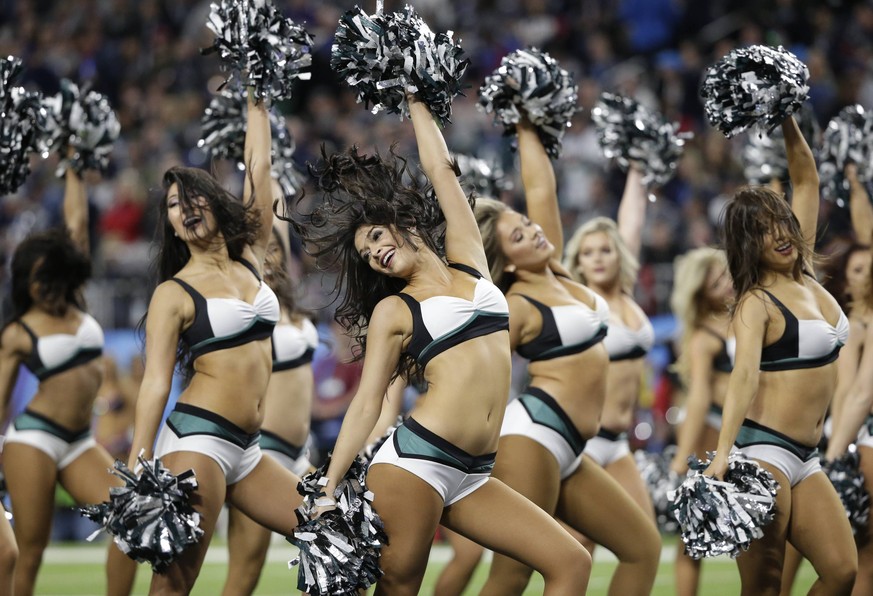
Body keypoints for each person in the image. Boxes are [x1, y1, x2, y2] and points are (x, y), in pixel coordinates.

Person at [298, 96, 591, 595]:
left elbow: (440, 170)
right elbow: (367, 402)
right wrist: (329, 486)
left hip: (475, 473)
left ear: (400, 222)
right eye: (367, 255)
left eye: (374, 237)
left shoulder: (469, 259)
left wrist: (415, 96)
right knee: (399, 588)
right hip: (417, 463)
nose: (374, 253)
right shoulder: (396, 310)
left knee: (571, 562)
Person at [473, 118, 660, 595]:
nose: (534, 232)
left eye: (527, 225)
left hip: (573, 446)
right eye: (519, 236)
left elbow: (541, 188)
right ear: (508, 262)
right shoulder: (514, 306)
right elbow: (480, 373)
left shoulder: (558, 271)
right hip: (533, 437)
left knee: (642, 549)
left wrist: (526, 122)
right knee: (513, 573)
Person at [128, 92, 303, 594]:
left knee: (330, 533)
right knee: (175, 585)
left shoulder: (251, 257)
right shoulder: (173, 292)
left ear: (214, 200)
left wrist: (257, 98)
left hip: (249, 448)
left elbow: (259, 168)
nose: (185, 209)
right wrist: (140, 465)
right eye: (173, 206)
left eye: (192, 197)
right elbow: (156, 383)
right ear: (172, 225)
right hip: (198, 443)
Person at [704, 116, 856, 594]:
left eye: (782, 221)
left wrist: (784, 111)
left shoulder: (806, 274)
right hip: (762, 453)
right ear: (750, 243)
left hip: (806, 457)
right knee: (765, 587)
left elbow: (806, 177)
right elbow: (743, 379)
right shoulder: (756, 303)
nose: (781, 233)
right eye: (765, 230)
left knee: (841, 571)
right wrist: (723, 454)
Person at [0, 165, 137, 596]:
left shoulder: (76, 300)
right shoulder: (20, 330)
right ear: (25, 283)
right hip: (33, 439)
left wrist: (74, 167)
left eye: (47, 274)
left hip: (79, 441)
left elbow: (76, 228)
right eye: (33, 278)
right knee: (31, 550)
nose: (42, 285)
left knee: (131, 523)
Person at [222, 204, 318, 596]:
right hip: (263, 456)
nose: (270, 259)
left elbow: (273, 210)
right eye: (260, 253)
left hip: (300, 455)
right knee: (245, 573)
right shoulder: (246, 312)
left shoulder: (289, 311)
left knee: (342, 551)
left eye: (276, 251)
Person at [562, 165, 658, 544]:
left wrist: (637, 167)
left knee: (644, 542)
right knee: (575, 549)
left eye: (605, 250)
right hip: (582, 441)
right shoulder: (577, 302)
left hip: (617, 443)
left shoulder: (627, 295)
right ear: (578, 262)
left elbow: (631, 224)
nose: (598, 258)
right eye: (588, 253)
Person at [668, 246, 734, 596]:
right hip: (713, 436)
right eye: (715, 281)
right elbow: (698, 399)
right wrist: (682, 457)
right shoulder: (704, 336)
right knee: (692, 536)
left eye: (727, 274)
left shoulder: (750, 315)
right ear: (700, 293)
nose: (726, 283)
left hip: (754, 435)